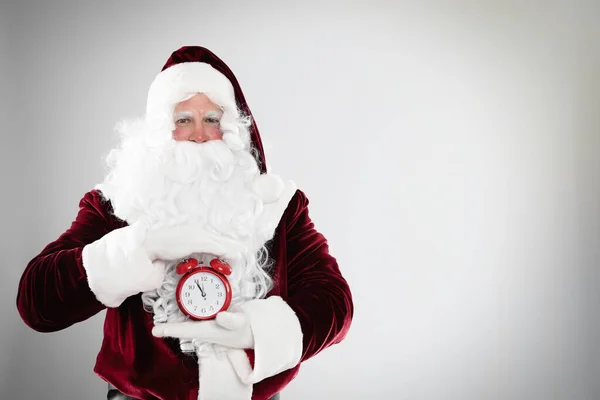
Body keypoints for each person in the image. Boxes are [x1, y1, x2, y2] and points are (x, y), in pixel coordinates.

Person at [15, 46, 354, 400]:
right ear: (160, 130)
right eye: (183, 120)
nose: (198, 134)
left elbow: (335, 302)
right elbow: (36, 303)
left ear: (232, 130)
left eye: (212, 119)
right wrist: (136, 248)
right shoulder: (116, 204)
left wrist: (259, 332)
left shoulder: (277, 207)